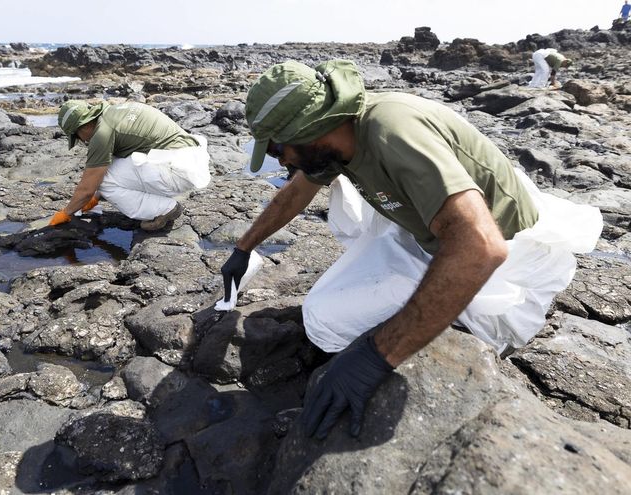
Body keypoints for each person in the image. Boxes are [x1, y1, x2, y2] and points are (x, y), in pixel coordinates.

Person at [220, 60, 601, 440]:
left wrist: (377, 355)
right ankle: (427, 316)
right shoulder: (339, 136)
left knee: (329, 321)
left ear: (307, 130)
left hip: (500, 268)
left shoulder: (392, 131)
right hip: (431, 236)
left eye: (277, 149)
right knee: (320, 317)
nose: (281, 161)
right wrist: (243, 248)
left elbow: (482, 246)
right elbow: (297, 191)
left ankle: (459, 326)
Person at [49, 100, 211, 230]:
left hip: (177, 171)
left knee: (103, 181)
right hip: (190, 160)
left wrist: (66, 213)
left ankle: (164, 209)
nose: (83, 141)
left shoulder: (101, 134)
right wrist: (96, 198)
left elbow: (87, 188)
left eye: (77, 136)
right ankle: (158, 203)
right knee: (109, 172)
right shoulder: (115, 113)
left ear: (82, 126)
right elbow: (117, 165)